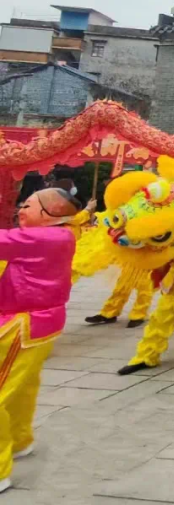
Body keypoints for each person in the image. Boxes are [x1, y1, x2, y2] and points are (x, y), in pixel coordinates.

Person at [1, 188, 81, 491]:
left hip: (23, 324)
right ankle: (20, 441)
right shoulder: (59, 236)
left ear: (50, 214)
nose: (21, 210)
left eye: (29, 206)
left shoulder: (39, 238)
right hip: (40, 322)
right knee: (21, 387)